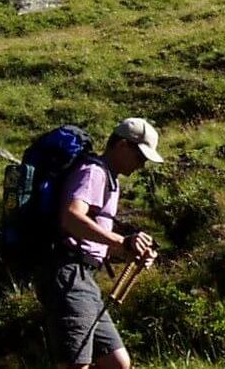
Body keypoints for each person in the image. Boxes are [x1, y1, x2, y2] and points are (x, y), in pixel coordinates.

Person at [37, 118, 164, 369]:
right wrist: (123, 241)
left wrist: (129, 251)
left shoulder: (108, 178)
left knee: (116, 363)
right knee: (76, 364)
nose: (142, 164)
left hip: (84, 277)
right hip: (68, 274)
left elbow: (92, 236)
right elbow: (71, 218)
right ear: (123, 146)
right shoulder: (94, 172)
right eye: (140, 156)